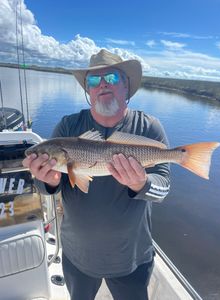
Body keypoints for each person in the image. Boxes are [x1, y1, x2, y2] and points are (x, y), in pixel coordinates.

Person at [23, 49, 170, 300]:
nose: (102, 84)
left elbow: (163, 189)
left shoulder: (148, 127)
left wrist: (141, 183)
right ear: (88, 91)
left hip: (131, 258)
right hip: (77, 256)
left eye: (111, 78)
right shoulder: (68, 126)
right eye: (93, 80)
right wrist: (47, 180)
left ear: (126, 86)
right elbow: (48, 184)